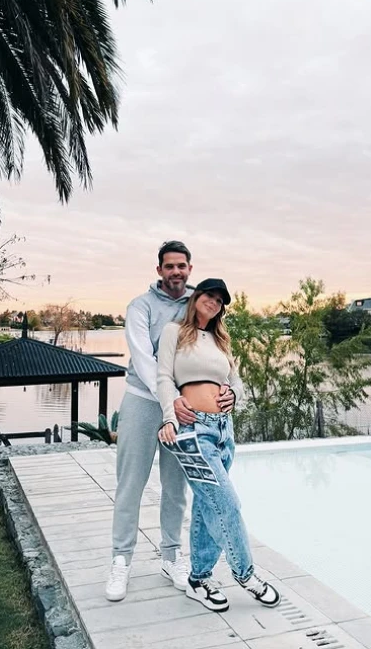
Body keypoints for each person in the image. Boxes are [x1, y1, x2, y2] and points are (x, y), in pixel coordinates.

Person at [107, 241, 225, 601]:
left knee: (176, 486)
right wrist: (169, 400)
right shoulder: (140, 307)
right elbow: (145, 359)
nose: (176, 272)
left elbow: (214, 350)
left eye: (181, 266)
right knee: (131, 483)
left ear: (190, 269)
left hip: (184, 408)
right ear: (159, 270)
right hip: (144, 402)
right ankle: (121, 560)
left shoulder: (198, 304)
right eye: (169, 266)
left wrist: (226, 391)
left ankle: (171, 557)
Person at [156, 278, 281, 612]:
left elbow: (235, 381)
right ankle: (246, 575)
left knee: (207, 504)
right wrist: (169, 417)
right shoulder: (174, 332)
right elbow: (164, 377)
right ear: (196, 297)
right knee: (227, 504)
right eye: (209, 295)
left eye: (220, 300)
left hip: (224, 430)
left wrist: (234, 395)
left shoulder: (221, 340)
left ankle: (199, 578)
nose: (214, 302)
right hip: (193, 430)